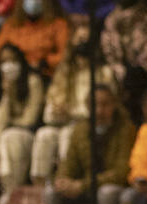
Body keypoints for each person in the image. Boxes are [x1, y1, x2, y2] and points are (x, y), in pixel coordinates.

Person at [45, 82, 135, 204]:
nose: (99, 110)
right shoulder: (80, 130)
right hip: (86, 194)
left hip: (115, 196)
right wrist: (63, 181)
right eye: (95, 105)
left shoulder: (126, 129)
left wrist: (83, 185)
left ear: (114, 105)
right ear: (87, 106)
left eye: (105, 104)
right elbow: (67, 164)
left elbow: (122, 172)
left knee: (107, 193)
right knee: (50, 193)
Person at [31, 22, 116, 183]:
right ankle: (40, 185)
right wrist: (57, 112)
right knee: (44, 134)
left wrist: (72, 113)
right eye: (79, 39)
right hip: (62, 123)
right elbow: (48, 114)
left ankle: (67, 181)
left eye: (86, 40)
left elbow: (106, 109)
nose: (82, 45)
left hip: (90, 126)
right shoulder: (62, 74)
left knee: (69, 134)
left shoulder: (104, 74)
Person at [0, 42, 44, 194]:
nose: (9, 66)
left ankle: (10, 190)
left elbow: (29, 119)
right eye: (4, 62)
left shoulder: (33, 81)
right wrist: (6, 94)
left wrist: (11, 122)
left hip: (26, 134)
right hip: (5, 131)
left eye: (13, 61)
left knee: (9, 136)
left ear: (20, 62)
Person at [0, 0, 69, 79]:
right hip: (16, 76)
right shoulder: (11, 25)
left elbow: (65, 54)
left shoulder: (58, 25)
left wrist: (47, 63)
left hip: (45, 75)